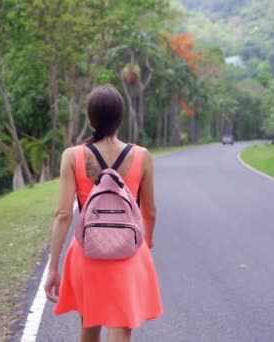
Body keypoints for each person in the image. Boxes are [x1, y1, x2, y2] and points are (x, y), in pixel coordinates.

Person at [44, 84, 163, 342]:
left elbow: (63, 214)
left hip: (88, 252)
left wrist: (53, 266)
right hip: (128, 251)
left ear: (90, 118)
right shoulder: (142, 156)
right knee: (121, 326)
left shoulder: (72, 156)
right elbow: (150, 211)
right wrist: (147, 239)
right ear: (121, 119)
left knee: (89, 323)